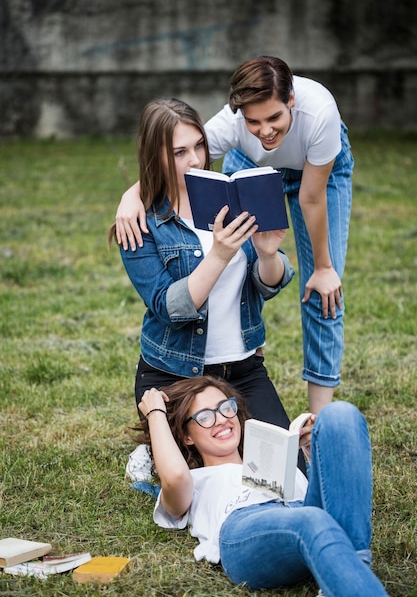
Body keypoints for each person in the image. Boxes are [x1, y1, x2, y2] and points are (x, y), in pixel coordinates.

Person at [114, 56, 355, 414]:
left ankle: (319, 422)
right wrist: (131, 194)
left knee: (324, 289)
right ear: (239, 114)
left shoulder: (319, 114)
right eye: (254, 121)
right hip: (249, 164)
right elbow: (169, 162)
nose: (266, 129)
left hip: (316, 172)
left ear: (291, 100)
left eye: (274, 117)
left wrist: (310, 264)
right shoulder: (226, 130)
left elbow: (310, 198)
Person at [109, 97, 305, 479]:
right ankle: (157, 443)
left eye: (199, 145)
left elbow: (267, 285)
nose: (196, 160)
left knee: (288, 474)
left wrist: (267, 254)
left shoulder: (228, 200)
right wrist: (219, 254)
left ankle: (171, 441)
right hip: (176, 376)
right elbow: (170, 307)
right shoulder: (140, 223)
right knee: (212, 474)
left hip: (243, 369)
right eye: (179, 152)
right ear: (155, 156)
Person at [136, 375, 390, 597]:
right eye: (205, 416)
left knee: (340, 415)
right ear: (186, 436)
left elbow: (334, 498)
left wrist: (313, 450)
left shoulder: (275, 464)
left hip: (301, 512)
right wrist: (155, 413)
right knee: (312, 520)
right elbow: (175, 476)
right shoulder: (195, 482)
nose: (221, 419)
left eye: (226, 408)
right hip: (245, 532)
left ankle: (349, 567)